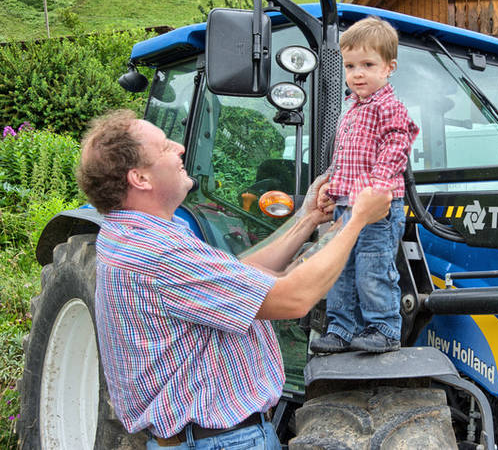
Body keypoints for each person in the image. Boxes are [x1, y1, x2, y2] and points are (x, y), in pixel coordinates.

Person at [75, 109, 393, 449]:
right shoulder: (158, 252)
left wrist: (309, 217)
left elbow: (237, 277)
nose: (180, 148)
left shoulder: (132, 235)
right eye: (166, 147)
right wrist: (357, 219)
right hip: (222, 442)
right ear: (140, 178)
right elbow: (294, 298)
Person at [309, 17, 419, 355]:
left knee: (373, 270)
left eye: (367, 65)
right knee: (341, 270)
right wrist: (330, 183)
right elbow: (344, 154)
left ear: (389, 67)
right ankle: (342, 329)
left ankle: (384, 328)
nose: (357, 73)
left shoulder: (389, 107)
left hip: (376, 210)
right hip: (345, 206)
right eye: (350, 66)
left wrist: (377, 185)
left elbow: (398, 145)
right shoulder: (351, 109)